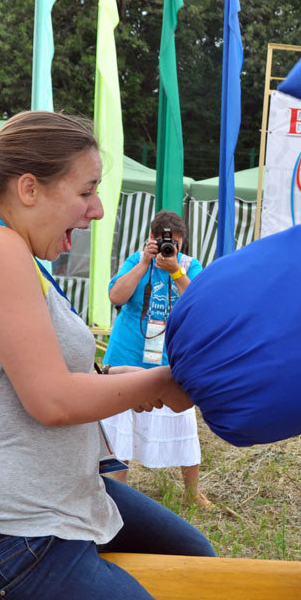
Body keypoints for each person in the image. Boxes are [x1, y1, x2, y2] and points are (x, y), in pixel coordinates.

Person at [0, 111, 214, 600]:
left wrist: (111, 377)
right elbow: (52, 398)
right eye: (87, 191)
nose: (97, 211)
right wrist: (156, 382)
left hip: (54, 499)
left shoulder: (18, 255)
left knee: (197, 562)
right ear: (29, 188)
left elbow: (34, 373)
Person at [101, 210, 210, 507]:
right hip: (128, 357)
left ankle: (193, 493)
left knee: (184, 425)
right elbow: (116, 297)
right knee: (121, 428)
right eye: (163, 242)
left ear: (182, 242)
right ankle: (119, 496)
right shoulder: (137, 260)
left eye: (174, 243)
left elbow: (199, 305)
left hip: (168, 362)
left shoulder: (189, 266)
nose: (168, 248)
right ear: (151, 239)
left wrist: (175, 270)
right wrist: (144, 263)